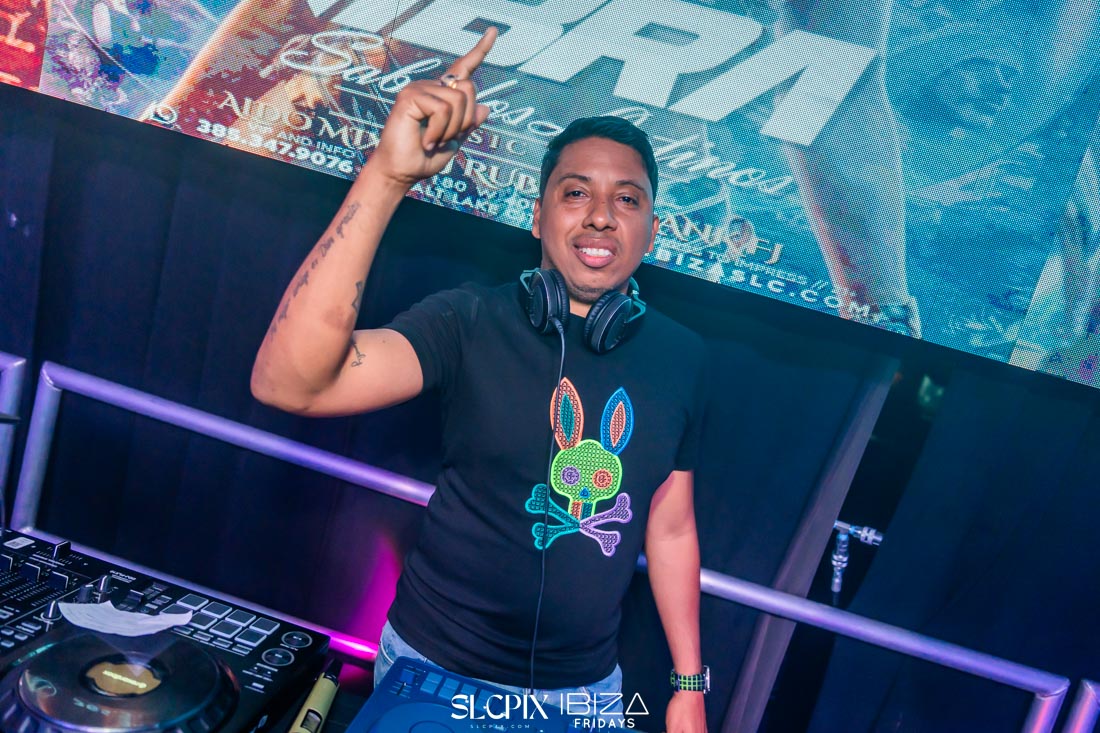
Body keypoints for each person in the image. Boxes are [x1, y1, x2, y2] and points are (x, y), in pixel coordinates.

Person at [250, 29, 709, 733]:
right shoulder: (467, 320)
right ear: (537, 215)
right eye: (576, 192)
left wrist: (687, 685)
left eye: (627, 199)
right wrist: (388, 177)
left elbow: (672, 527)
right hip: (436, 670)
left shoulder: (683, 357)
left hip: (586, 695)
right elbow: (291, 384)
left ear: (652, 229)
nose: (600, 215)